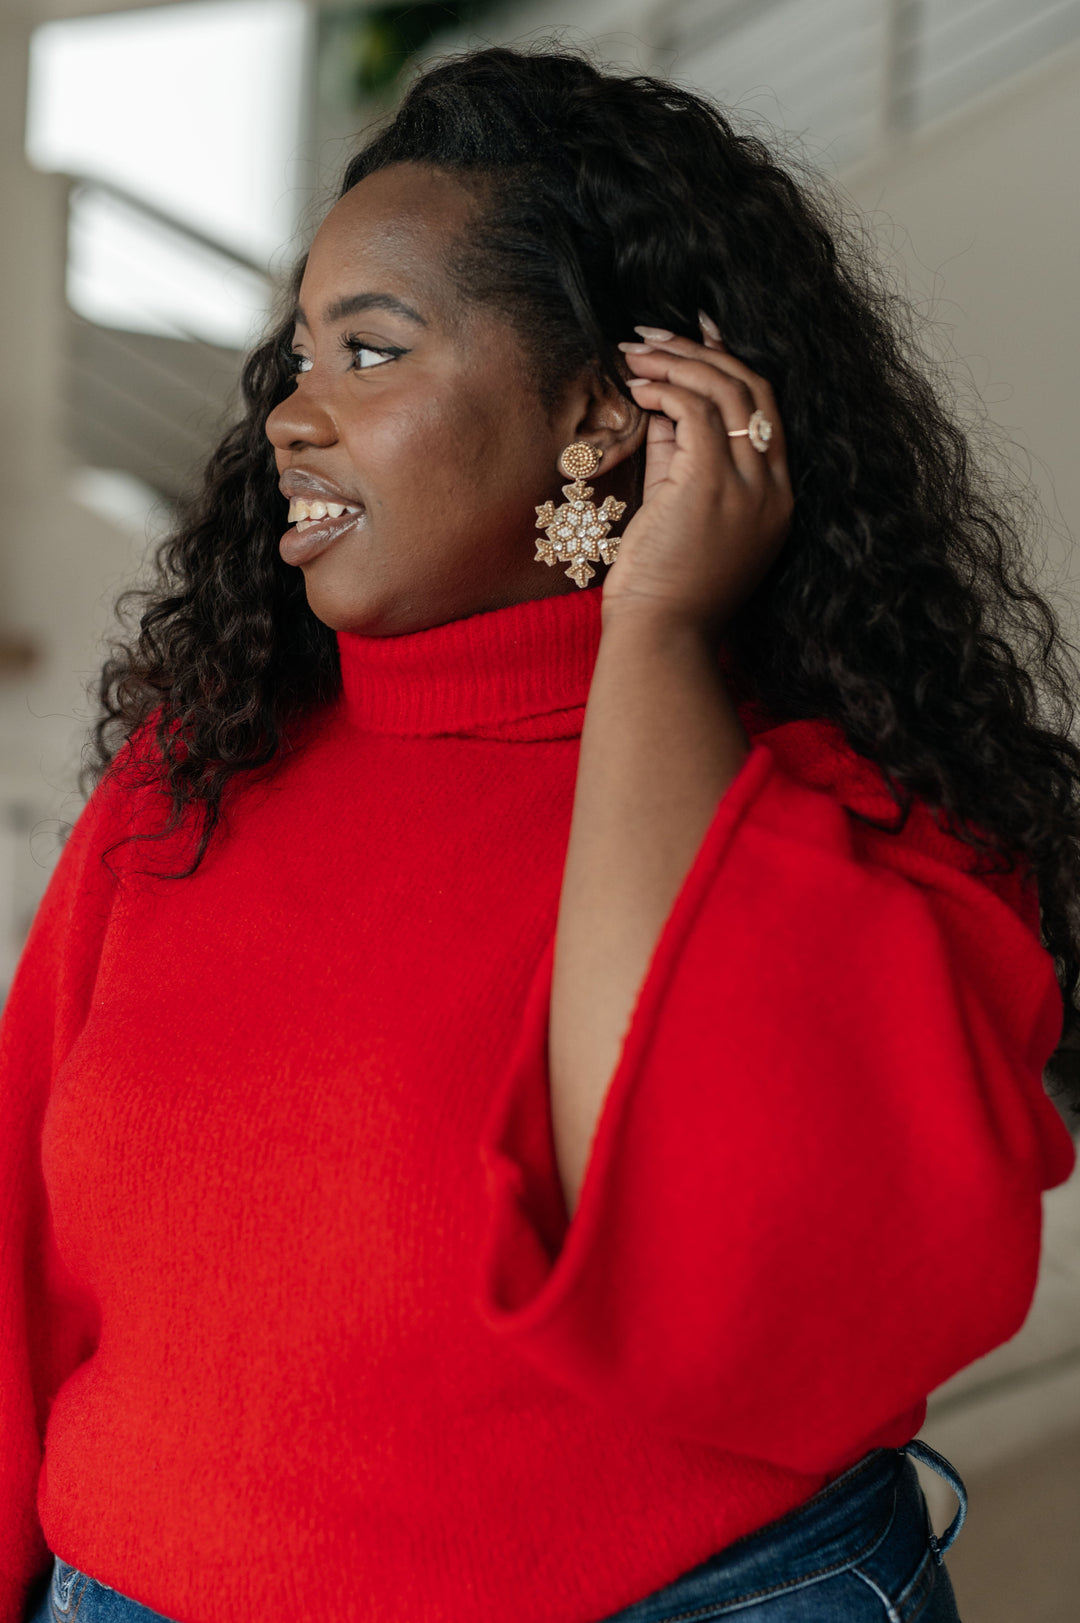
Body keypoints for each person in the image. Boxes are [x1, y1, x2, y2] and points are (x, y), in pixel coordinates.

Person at [3, 41, 1078, 1623]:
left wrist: (654, 631)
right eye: (298, 354)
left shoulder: (854, 818)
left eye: (371, 352)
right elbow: (18, 1258)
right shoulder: (199, 768)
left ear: (602, 409)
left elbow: (696, 1262)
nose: (293, 416)